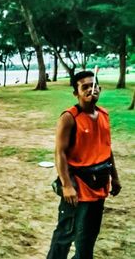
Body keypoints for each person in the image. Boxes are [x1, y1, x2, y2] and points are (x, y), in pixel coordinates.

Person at [47, 71, 122, 259]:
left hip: (100, 185)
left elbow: (106, 149)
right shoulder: (69, 117)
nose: (91, 89)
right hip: (77, 187)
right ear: (76, 93)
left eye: (93, 85)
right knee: (65, 233)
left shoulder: (104, 114)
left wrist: (115, 177)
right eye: (85, 87)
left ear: (100, 89)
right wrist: (66, 185)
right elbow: (60, 152)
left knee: (88, 237)